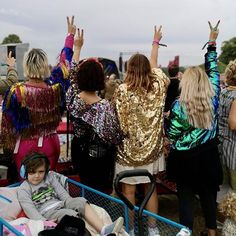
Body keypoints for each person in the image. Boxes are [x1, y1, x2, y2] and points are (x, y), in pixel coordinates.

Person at [1, 16, 76, 179]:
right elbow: (65, 63)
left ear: (26, 66)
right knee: (49, 188)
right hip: (51, 144)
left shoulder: (17, 91)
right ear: (44, 65)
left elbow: (7, 126)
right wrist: (70, 37)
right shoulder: (55, 86)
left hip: (26, 147)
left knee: (28, 189)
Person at [166, 21, 222, 236]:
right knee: (209, 196)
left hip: (185, 158)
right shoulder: (213, 96)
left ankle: (186, 231)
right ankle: (211, 231)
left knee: (186, 198)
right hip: (209, 155)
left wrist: (172, 120)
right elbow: (214, 70)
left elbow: (172, 134)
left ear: (185, 83)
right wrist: (212, 43)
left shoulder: (179, 106)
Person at [113, 25, 169, 236]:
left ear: (128, 69)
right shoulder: (159, 85)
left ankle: (131, 229)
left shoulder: (121, 90)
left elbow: (119, 122)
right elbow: (154, 67)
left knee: (128, 190)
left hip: (127, 151)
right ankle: (153, 230)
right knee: (150, 188)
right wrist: (155, 42)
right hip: (152, 150)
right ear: (148, 70)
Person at [66, 29, 123, 192]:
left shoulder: (73, 98)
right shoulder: (104, 108)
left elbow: (71, 75)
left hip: (79, 154)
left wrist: (77, 48)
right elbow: (113, 136)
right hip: (100, 159)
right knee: (101, 195)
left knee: (85, 190)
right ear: (100, 79)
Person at [17, 152, 124, 236]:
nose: (37, 176)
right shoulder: (24, 188)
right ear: (24, 173)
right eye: (32, 172)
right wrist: (44, 222)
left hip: (61, 203)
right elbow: (30, 209)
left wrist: (73, 203)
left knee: (80, 200)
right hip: (48, 212)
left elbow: (62, 194)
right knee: (69, 214)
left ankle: (104, 229)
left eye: (41, 172)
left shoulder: (49, 177)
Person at [218, 59, 236, 191]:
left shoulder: (223, 92)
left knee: (224, 188)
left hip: (221, 145)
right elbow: (233, 124)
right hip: (234, 149)